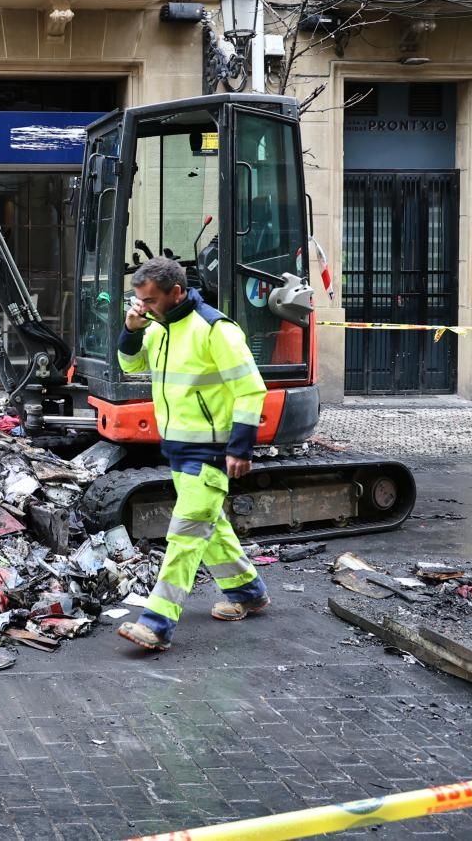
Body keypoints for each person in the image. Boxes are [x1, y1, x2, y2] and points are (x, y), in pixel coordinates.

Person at [114, 256, 271, 652]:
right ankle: (248, 592)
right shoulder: (157, 326)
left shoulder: (215, 328)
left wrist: (239, 447)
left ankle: (156, 623)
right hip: (178, 447)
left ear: (177, 292)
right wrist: (131, 330)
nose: (142, 306)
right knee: (211, 525)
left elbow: (251, 389)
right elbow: (130, 364)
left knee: (184, 535)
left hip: (211, 451)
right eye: (139, 300)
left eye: (149, 300)